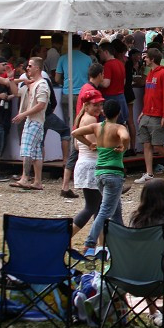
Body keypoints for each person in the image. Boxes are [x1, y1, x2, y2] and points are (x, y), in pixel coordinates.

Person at [73, 99, 130, 253]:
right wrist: (123, 146)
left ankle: (124, 243)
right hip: (114, 173)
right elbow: (124, 136)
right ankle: (90, 242)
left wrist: (90, 143)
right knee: (105, 210)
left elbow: (75, 133)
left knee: (116, 210)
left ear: (104, 112)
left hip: (99, 173)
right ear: (118, 113)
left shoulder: (97, 126)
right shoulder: (119, 127)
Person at [129, 178, 164, 322]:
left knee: (146, 264)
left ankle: (153, 311)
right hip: (158, 281)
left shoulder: (135, 219)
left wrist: (163, 256)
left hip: (129, 278)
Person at [135, 48, 164, 184]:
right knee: (146, 144)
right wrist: (143, 111)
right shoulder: (150, 74)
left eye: (146, 57)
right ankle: (149, 173)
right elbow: (148, 95)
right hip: (147, 113)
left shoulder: (163, 74)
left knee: (158, 145)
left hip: (157, 114)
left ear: (152, 59)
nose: (145, 59)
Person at [10, 57, 51, 190]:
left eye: (30, 66)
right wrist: (13, 79)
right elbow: (16, 92)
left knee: (27, 148)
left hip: (35, 120)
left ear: (37, 68)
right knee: (36, 151)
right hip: (33, 120)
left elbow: (41, 105)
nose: (27, 68)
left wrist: (23, 114)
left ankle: (25, 178)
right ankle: (37, 181)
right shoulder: (31, 83)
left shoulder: (42, 84)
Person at [71, 93, 105, 237]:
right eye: (95, 105)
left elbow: (77, 146)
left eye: (100, 104)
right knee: (91, 207)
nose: (98, 108)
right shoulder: (91, 119)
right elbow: (94, 145)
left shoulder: (81, 118)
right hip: (91, 166)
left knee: (98, 206)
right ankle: (65, 236)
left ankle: (101, 244)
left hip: (84, 163)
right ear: (86, 105)